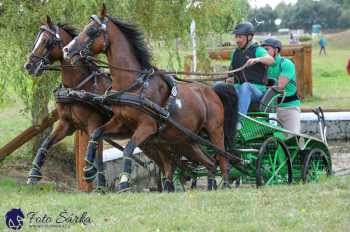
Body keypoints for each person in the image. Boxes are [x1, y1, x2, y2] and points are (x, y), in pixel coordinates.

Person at [228, 21, 275, 115]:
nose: (237, 40)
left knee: (246, 87)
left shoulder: (258, 50)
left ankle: (240, 121)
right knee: (221, 87)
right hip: (239, 87)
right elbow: (230, 72)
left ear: (249, 37)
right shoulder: (235, 53)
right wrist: (229, 79)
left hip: (258, 91)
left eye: (240, 37)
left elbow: (271, 60)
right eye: (236, 37)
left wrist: (257, 59)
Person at [261, 38, 301, 134]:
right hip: (270, 109)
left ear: (276, 50)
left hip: (289, 107)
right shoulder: (262, 66)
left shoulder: (286, 64)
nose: (264, 52)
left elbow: (279, 87)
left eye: (267, 49)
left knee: (293, 138)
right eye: (262, 50)